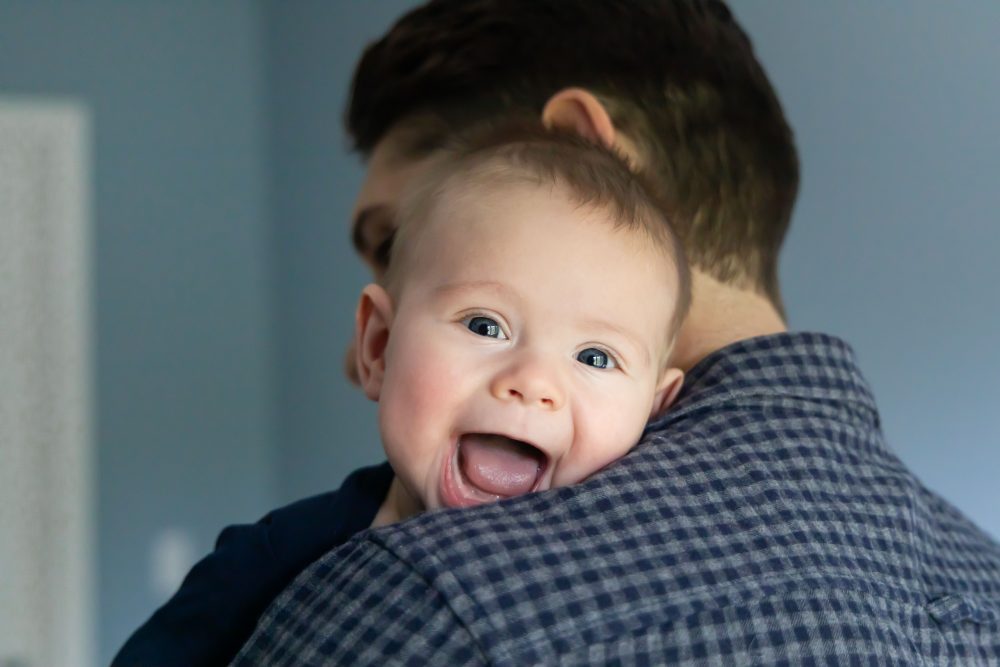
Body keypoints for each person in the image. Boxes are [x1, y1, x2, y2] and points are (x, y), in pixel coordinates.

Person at [230, 0, 1000, 664]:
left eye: (395, 243)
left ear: (587, 153)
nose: (354, 355)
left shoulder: (424, 600)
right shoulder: (984, 585)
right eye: (483, 323)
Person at [112, 125, 691, 666]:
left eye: (595, 357)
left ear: (655, 407)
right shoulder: (270, 560)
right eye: (485, 326)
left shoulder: (631, 578)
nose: (533, 383)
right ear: (379, 346)